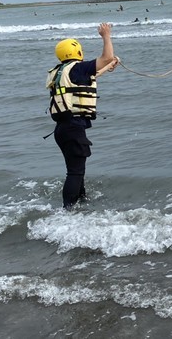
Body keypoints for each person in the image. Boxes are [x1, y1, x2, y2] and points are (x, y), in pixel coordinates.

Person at [46, 23, 120, 210]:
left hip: (63, 130)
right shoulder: (76, 68)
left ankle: (80, 206)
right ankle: (68, 211)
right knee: (75, 172)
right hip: (72, 128)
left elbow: (89, 77)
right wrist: (106, 36)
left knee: (77, 171)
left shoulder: (60, 72)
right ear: (77, 52)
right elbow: (107, 57)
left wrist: (109, 66)